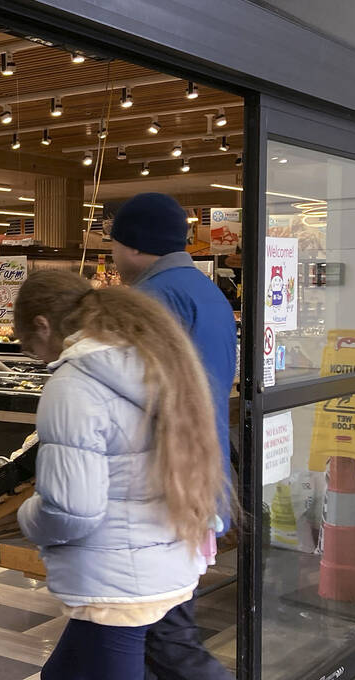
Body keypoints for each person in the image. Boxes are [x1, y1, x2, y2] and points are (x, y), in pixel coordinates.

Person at [14, 271, 228, 680]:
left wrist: (28, 517)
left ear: (43, 325)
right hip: (167, 557)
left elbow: (72, 510)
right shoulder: (152, 356)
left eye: (30, 346)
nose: (37, 358)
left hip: (116, 584)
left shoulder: (74, 384)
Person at [111, 192, 237, 680]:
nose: (113, 255)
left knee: (165, 637)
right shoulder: (206, 292)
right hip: (202, 475)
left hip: (161, 483)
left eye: (114, 243)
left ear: (136, 245)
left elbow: (129, 399)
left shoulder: (150, 299)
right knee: (151, 633)